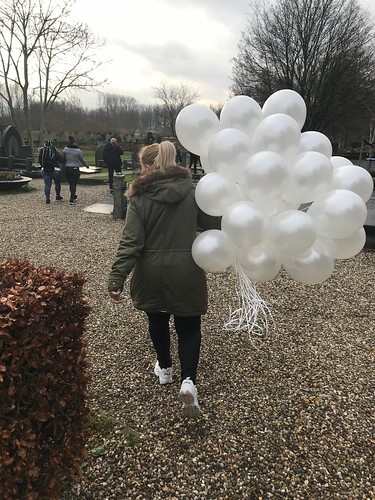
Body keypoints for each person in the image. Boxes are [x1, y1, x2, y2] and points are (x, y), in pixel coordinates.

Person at [108, 141, 219, 419]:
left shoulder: (139, 198)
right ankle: (189, 381)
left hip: (150, 270)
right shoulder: (192, 192)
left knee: (156, 319)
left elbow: (131, 242)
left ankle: (166, 370)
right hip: (187, 268)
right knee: (189, 326)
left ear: (147, 166)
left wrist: (117, 276)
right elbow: (213, 225)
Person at [62, 135, 90, 205]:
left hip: (67, 168)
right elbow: (82, 160)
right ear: (75, 142)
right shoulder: (78, 151)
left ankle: (73, 195)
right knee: (73, 183)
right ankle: (72, 198)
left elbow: (62, 159)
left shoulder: (65, 149)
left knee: (71, 183)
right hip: (75, 168)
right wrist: (87, 166)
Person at [38, 140, 64, 204]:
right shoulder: (55, 151)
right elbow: (61, 160)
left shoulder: (42, 152)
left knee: (47, 184)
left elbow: (39, 161)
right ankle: (58, 195)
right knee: (57, 183)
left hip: (45, 170)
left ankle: (47, 199)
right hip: (55, 170)